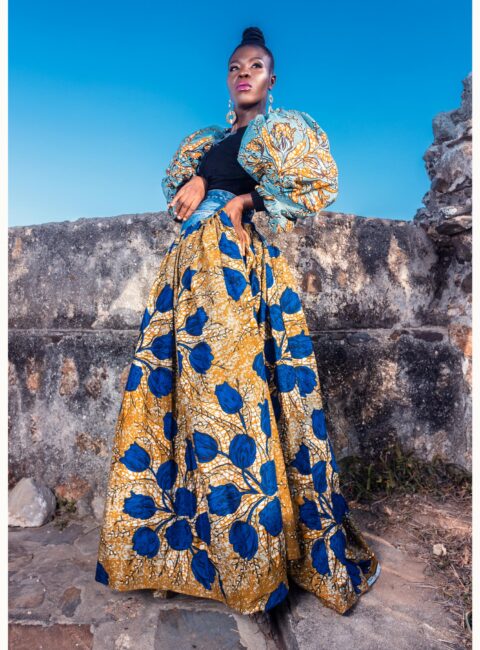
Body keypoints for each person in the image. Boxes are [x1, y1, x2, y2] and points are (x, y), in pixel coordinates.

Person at [95, 25, 381, 616]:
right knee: (182, 404)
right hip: (187, 274)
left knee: (236, 400)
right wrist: (203, 178)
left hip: (237, 271)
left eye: (255, 66)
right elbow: (180, 200)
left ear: (272, 79)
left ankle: (255, 559)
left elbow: (317, 184)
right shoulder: (206, 142)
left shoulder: (280, 132)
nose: (243, 73)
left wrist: (244, 200)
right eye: (234, 67)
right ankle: (190, 551)